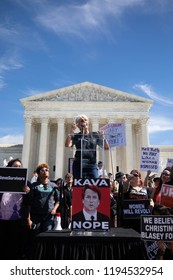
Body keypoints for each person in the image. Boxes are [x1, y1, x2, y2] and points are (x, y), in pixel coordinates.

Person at [0, 158, 30, 259]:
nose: (18, 168)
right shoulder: (2, 181)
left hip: (17, 221)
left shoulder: (26, 183)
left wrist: (28, 193)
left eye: (19, 166)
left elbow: (30, 202)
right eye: (15, 166)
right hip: (2, 221)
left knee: (15, 247)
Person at [65, 114, 109, 179]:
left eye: (85, 120)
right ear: (78, 125)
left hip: (91, 165)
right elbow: (68, 145)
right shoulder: (76, 136)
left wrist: (103, 138)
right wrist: (71, 132)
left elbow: (106, 147)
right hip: (78, 165)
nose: (84, 122)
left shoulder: (95, 135)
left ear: (88, 122)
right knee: (79, 186)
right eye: (81, 121)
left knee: (94, 185)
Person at [27, 163, 59, 234]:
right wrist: (29, 219)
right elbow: (29, 202)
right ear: (38, 174)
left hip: (48, 216)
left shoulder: (53, 186)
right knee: (36, 234)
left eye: (46, 170)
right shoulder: (34, 186)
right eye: (42, 170)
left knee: (47, 235)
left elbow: (58, 200)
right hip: (36, 215)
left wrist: (54, 209)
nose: (45, 171)